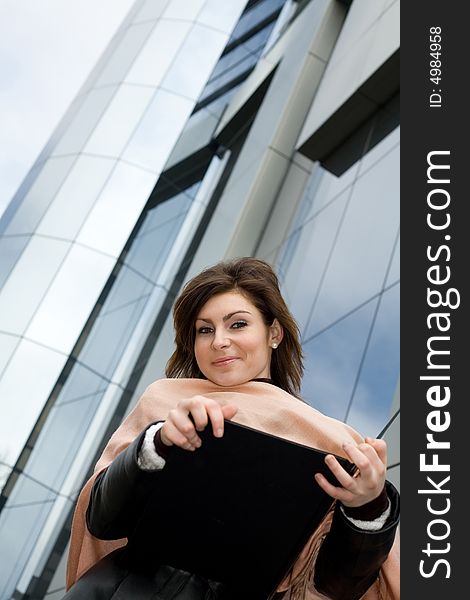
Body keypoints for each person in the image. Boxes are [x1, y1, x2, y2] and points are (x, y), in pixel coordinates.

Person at [64, 257, 400, 600]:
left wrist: (368, 508)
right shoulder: (166, 401)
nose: (219, 341)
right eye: (204, 330)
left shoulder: (333, 442)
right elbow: (102, 520)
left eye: (237, 324)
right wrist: (159, 443)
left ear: (274, 333)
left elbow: (333, 588)